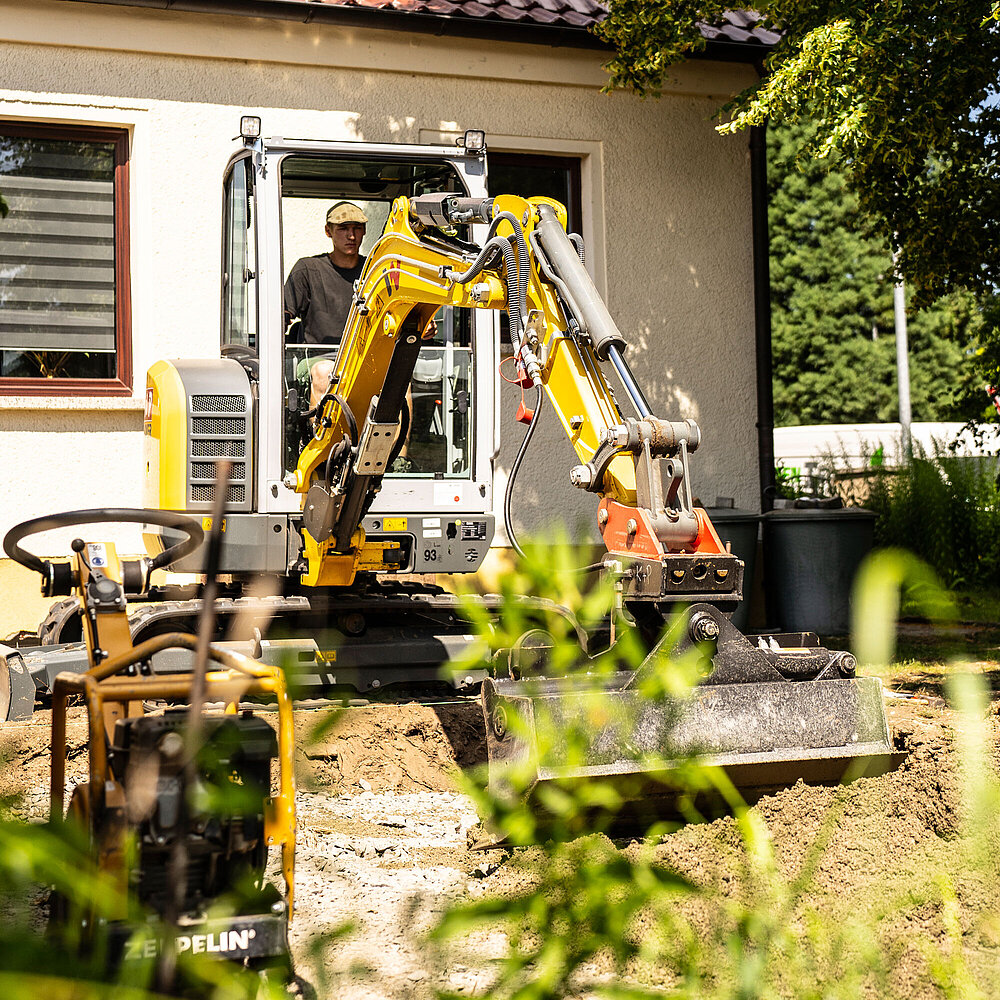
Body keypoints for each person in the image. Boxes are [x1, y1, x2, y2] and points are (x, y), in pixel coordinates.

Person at [284, 201, 368, 410]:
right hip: (317, 359)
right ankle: (320, 442)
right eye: (343, 229)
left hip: (366, 357)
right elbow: (282, 316)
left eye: (357, 228)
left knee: (398, 380)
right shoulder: (308, 269)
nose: (351, 236)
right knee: (325, 372)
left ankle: (398, 444)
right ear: (328, 231)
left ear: (364, 231)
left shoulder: (374, 271)